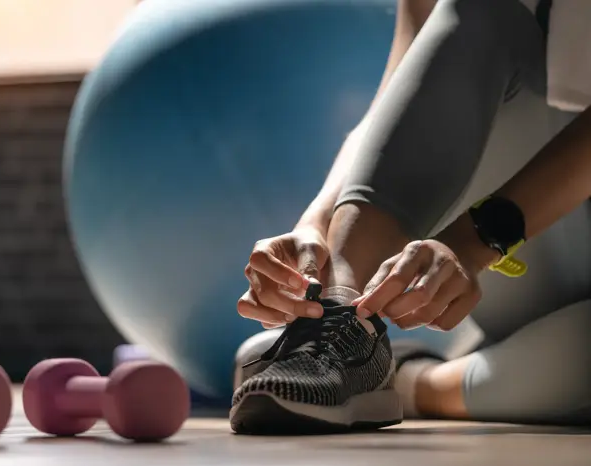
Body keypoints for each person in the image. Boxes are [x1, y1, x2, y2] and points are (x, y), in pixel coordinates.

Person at [230, 0, 591, 434]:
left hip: (515, 230)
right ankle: (341, 323)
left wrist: (474, 241)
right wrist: (317, 222)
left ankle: (410, 380)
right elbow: (399, 101)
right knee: (484, 9)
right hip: (544, 256)